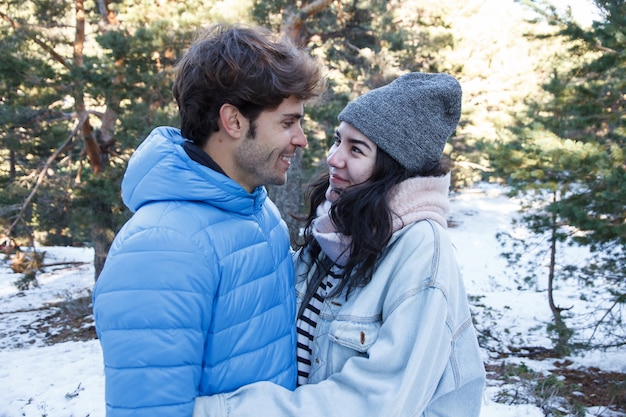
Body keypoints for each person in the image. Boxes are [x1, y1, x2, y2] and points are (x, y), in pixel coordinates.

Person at [193, 72, 486, 416]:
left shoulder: (420, 252)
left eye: (356, 149)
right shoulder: (339, 235)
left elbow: (375, 403)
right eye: (338, 140)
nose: (333, 157)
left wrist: (220, 411)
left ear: (393, 168)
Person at [92, 24, 325, 417]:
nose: (301, 139)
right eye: (287, 123)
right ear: (233, 121)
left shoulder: (257, 209)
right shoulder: (161, 246)